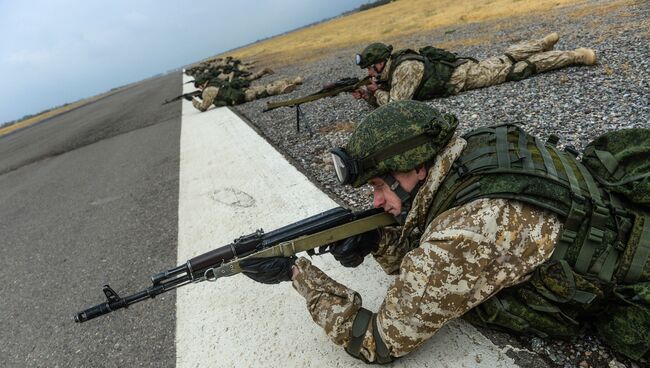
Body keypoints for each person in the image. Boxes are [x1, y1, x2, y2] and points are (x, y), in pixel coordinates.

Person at [240, 100, 650, 363]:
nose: (378, 201)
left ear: (418, 167)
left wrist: (300, 276)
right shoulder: (472, 150)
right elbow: (418, 253)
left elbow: (377, 341)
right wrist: (376, 237)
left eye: (381, 185)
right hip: (616, 221)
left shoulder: (465, 235)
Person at [351, 32, 597, 107]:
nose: (370, 73)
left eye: (372, 68)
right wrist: (369, 95)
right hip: (464, 68)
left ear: (381, 62)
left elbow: (397, 105)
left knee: (516, 69)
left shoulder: (405, 69)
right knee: (505, 57)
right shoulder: (397, 64)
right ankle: (542, 42)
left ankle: (575, 56)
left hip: (467, 77)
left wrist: (376, 92)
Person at [191, 75, 303, 111]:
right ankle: (294, 80)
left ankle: (282, 89)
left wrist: (194, 101)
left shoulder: (207, 91)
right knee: (265, 86)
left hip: (243, 97)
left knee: (264, 92)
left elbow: (203, 107)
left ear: (201, 85)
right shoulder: (216, 81)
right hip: (242, 90)